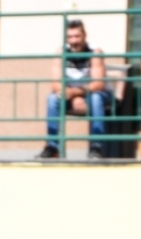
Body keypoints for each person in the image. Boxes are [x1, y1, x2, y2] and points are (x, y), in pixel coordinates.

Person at [39, 19, 112, 159]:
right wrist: (69, 94)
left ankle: (96, 148)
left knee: (96, 98)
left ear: (85, 36)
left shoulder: (95, 51)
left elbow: (98, 84)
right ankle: (52, 147)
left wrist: (74, 92)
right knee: (52, 98)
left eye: (77, 36)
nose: (73, 41)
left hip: (92, 94)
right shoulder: (61, 52)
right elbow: (55, 83)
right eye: (70, 37)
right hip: (72, 95)